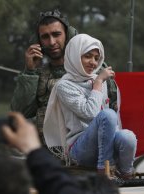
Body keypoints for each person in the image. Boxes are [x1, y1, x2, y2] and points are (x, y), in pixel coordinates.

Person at [10, 9, 118, 145]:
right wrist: (30, 71)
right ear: (38, 41)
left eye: (56, 34)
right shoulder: (39, 76)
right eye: (45, 37)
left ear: (68, 35)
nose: (51, 42)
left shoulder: (96, 71)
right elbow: (20, 112)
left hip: (89, 152)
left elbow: (116, 107)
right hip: (51, 151)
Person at [43, 34, 137, 179]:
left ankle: (126, 173)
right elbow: (91, 113)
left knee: (128, 137)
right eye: (88, 56)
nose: (93, 62)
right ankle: (105, 169)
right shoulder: (64, 85)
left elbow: (106, 121)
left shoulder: (97, 80)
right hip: (80, 149)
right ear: (75, 56)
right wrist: (98, 82)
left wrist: (98, 82)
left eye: (96, 58)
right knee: (108, 114)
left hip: (103, 143)